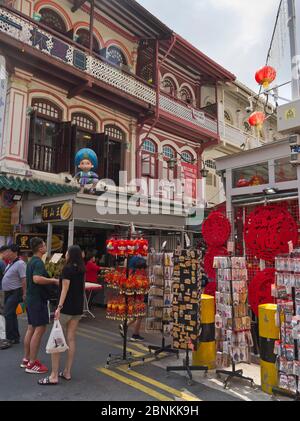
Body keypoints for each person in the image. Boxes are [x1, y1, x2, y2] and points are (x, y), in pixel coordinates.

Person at [38, 245, 85, 385]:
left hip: (66, 308)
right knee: (71, 339)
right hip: (77, 308)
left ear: (70, 254)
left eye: (67, 251)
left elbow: (65, 289)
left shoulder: (67, 269)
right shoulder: (81, 269)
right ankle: (67, 372)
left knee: (57, 339)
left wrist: (59, 307)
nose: (65, 253)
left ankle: (53, 376)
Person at [22, 238, 59, 374]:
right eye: (44, 245)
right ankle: (32, 363)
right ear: (39, 248)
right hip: (37, 300)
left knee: (31, 328)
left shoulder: (31, 261)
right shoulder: (38, 262)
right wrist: (53, 280)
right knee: (40, 329)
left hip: (32, 299)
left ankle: (26, 359)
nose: (45, 247)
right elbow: (36, 279)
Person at [1, 245, 26, 346]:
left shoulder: (20, 263)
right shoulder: (10, 263)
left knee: (8, 313)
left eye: (7, 251)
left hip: (16, 291)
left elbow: (24, 279)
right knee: (11, 314)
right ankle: (15, 337)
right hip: (8, 292)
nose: (5, 254)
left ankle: (11, 338)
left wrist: (25, 293)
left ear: (14, 252)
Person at [119, 255, 147, 342]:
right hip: (137, 294)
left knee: (137, 314)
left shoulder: (129, 266)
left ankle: (125, 326)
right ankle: (135, 334)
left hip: (131, 293)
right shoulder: (139, 272)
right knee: (140, 314)